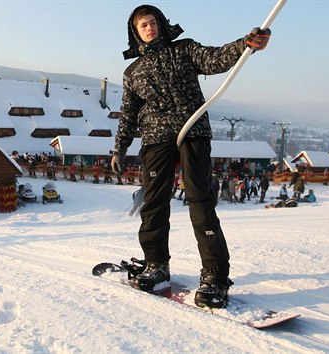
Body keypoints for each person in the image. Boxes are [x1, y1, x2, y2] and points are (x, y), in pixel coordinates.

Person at [110, 4, 270, 308]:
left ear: (161, 24)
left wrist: (245, 44)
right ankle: (156, 264)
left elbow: (215, 59)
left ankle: (215, 275)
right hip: (156, 139)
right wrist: (119, 147)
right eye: (143, 25)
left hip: (191, 129)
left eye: (153, 22)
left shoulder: (183, 50)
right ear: (136, 33)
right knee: (154, 203)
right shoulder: (132, 72)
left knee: (200, 199)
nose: (150, 27)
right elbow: (128, 114)